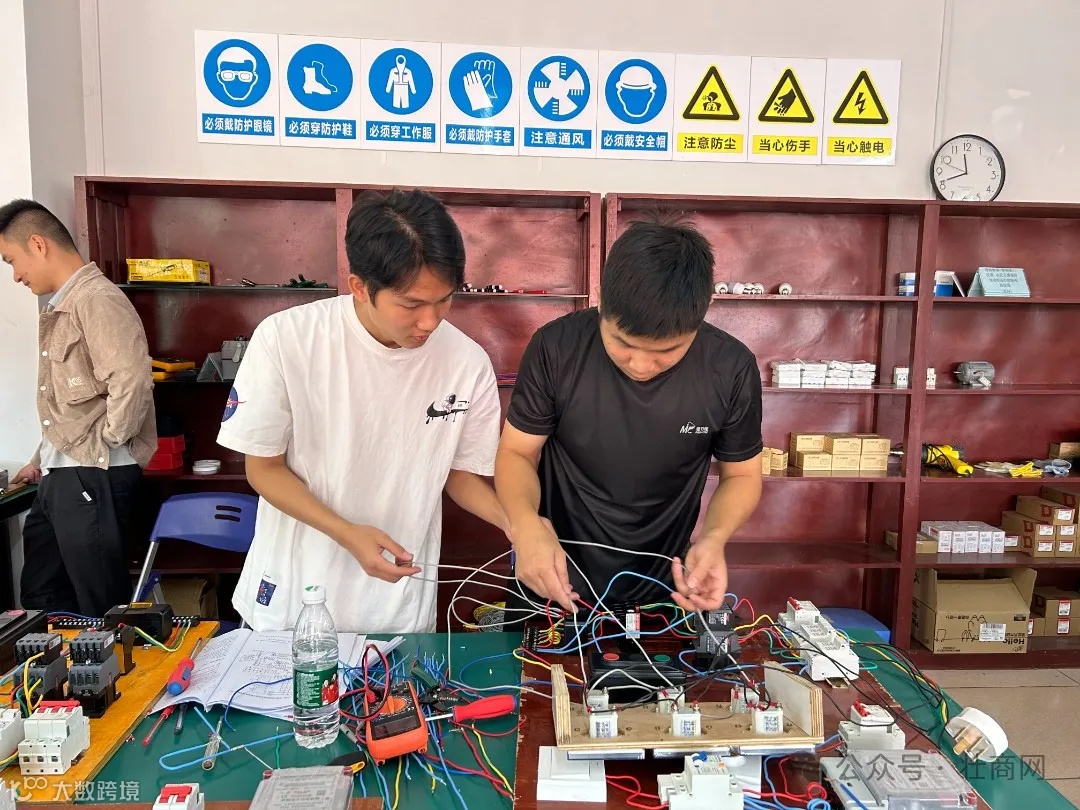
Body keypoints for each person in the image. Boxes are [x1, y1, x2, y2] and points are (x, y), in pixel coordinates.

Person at [217, 188, 506, 634]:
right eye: (411, 304)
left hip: (398, 610)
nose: (431, 321)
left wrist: (517, 524)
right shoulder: (287, 339)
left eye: (445, 299)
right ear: (359, 287)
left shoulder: (466, 362)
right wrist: (346, 532)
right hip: (294, 605)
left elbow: (460, 475)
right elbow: (264, 469)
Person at [495, 217, 763, 616]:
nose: (640, 364)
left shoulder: (730, 367)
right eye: (621, 342)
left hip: (669, 585)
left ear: (705, 309)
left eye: (666, 352)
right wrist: (525, 524)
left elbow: (741, 475)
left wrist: (714, 537)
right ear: (601, 298)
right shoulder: (556, 348)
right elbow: (517, 453)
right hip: (553, 577)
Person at [0, 199, 156, 617]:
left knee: (99, 604)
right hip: (64, 475)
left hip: (92, 473)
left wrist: (109, 439)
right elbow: (71, 408)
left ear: (38, 244)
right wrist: (40, 460)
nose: (15, 275)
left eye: (12, 261)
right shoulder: (64, 305)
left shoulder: (96, 299)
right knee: (42, 596)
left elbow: (131, 378)